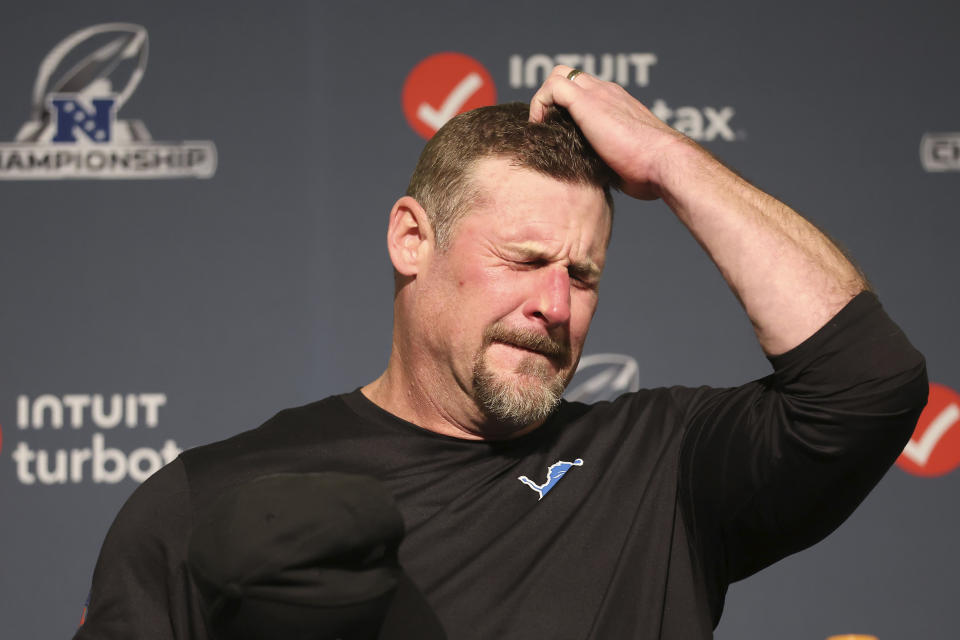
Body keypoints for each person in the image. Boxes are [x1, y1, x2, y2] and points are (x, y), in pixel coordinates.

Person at [74, 66, 927, 639]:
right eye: (523, 260)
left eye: (583, 275)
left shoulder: (663, 468)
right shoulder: (207, 501)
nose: (554, 307)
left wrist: (668, 162)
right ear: (413, 240)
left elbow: (868, 383)